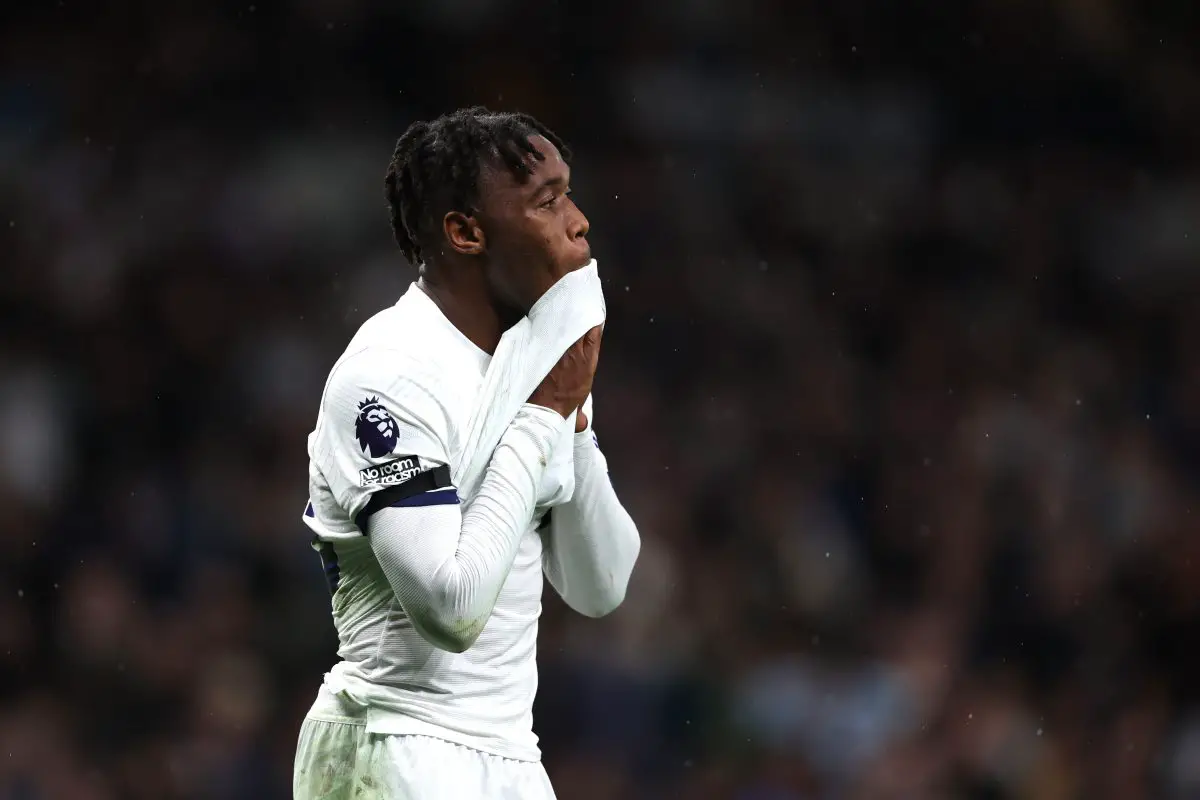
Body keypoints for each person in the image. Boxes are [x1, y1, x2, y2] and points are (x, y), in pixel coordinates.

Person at [293, 107, 641, 799]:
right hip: (393, 744)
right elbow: (450, 609)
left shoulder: (532, 363)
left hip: (509, 753)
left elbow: (600, 587)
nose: (578, 220)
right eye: (547, 201)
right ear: (464, 231)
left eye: (568, 192)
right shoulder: (389, 376)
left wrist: (568, 420)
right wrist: (544, 413)